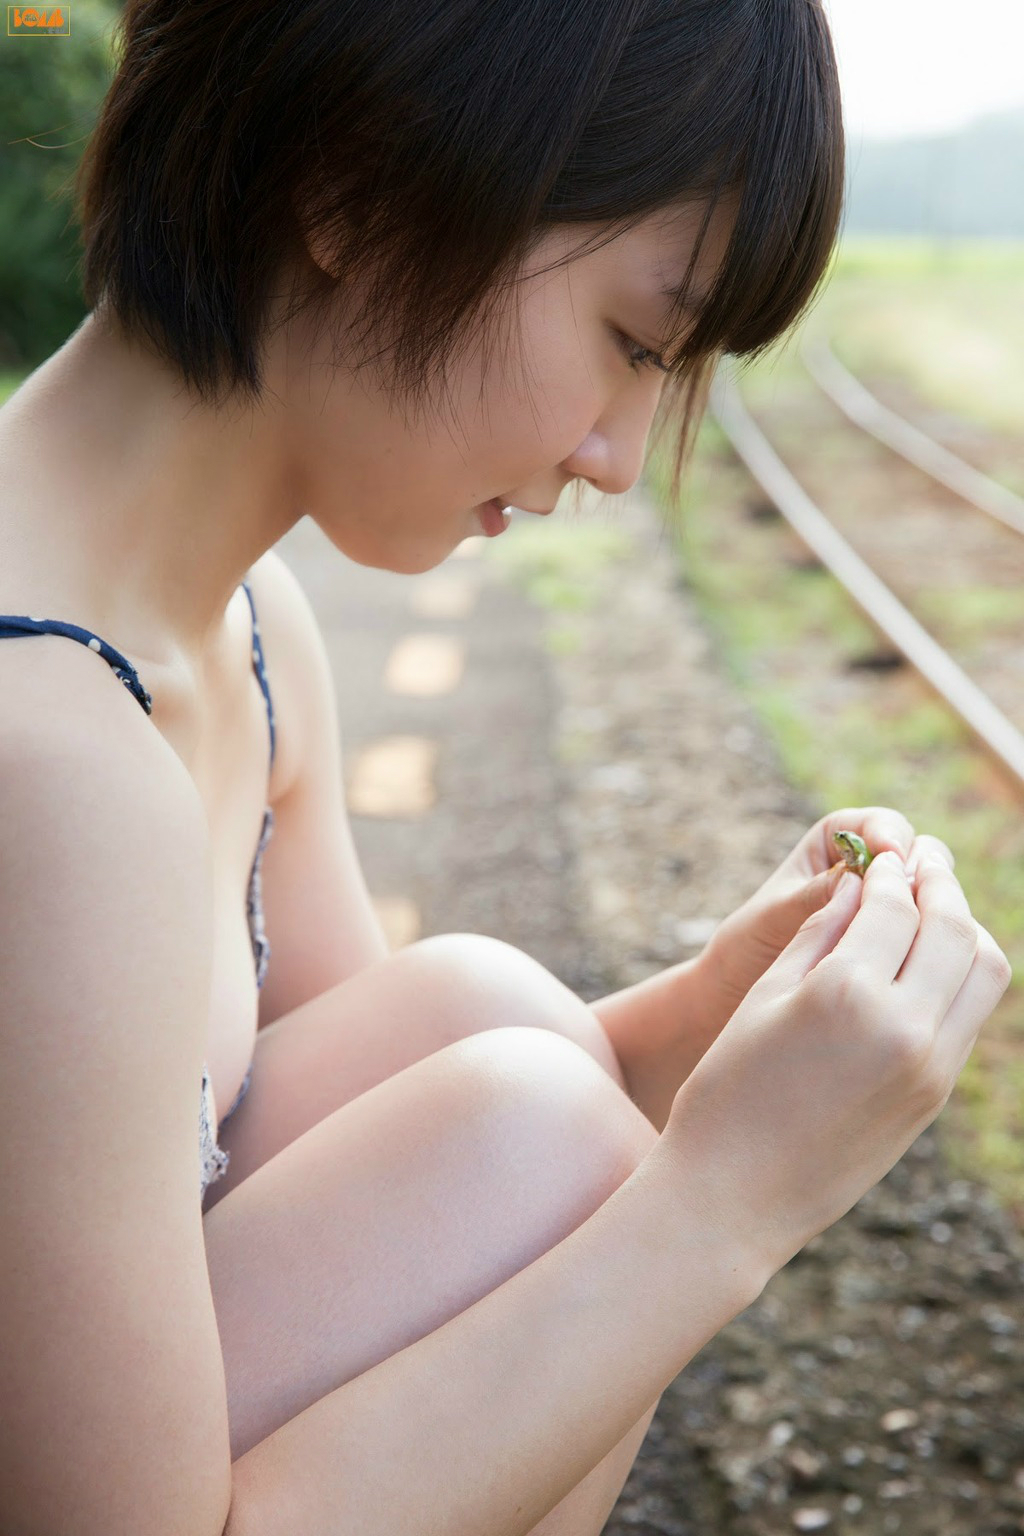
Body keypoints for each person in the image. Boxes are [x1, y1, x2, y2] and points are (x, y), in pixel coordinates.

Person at [0, 1, 1011, 1532]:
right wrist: (721, 1205)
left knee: (503, 1026)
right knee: (558, 1148)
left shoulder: (246, 635)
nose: (619, 455)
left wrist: (705, 1017)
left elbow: (328, 1136)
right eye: (630, 342)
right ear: (358, 183)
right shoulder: (49, 767)